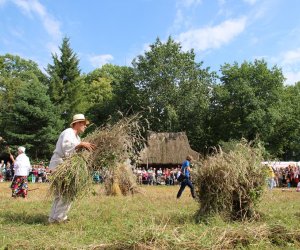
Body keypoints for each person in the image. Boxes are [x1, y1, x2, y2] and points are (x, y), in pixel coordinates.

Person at [48, 114, 96, 224]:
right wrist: (81, 144)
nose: (85, 126)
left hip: (64, 165)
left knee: (62, 193)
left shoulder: (77, 137)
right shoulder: (68, 132)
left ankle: (54, 217)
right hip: (60, 164)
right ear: (77, 123)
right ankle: (58, 218)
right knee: (66, 192)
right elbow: (67, 147)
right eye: (83, 124)